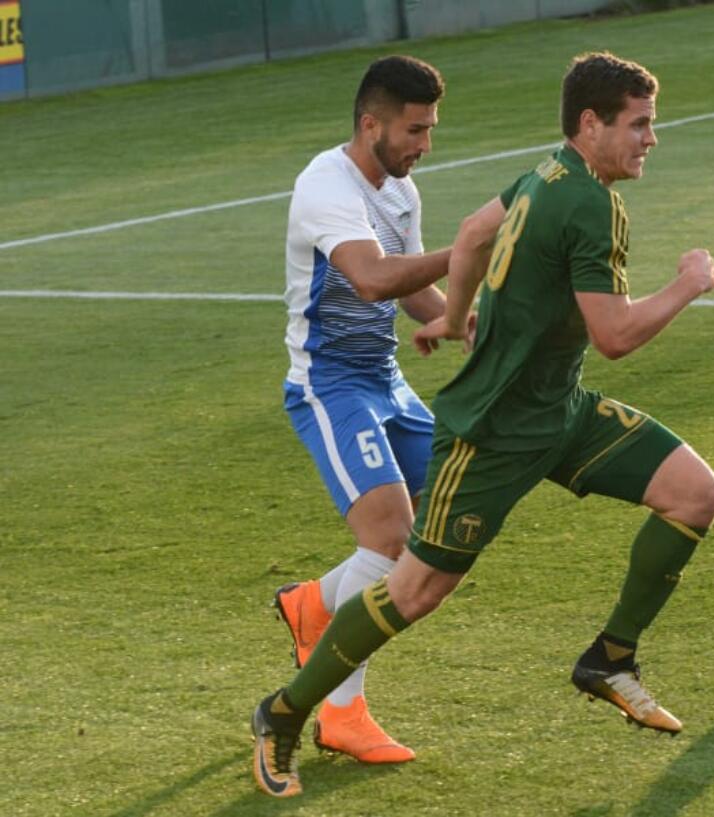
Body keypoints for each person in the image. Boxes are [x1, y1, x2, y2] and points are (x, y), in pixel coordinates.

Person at [249, 50, 714, 798]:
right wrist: (688, 284)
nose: (650, 141)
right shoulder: (589, 205)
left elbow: (473, 231)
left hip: (558, 410)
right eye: (639, 125)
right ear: (591, 124)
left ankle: (611, 656)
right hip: (491, 428)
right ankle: (285, 710)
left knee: (696, 493)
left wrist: (454, 315)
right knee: (411, 585)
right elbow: (616, 336)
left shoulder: (546, 175)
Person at [271, 54, 459, 765]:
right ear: (370, 123)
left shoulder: (402, 192)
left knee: (447, 524)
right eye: (415, 130)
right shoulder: (326, 185)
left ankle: (312, 604)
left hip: (385, 379)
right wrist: (469, 247)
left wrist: (468, 324)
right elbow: (375, 278)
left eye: (431, 129)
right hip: (330, 385)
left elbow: (414, 295)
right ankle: (341, 713)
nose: (424, 145)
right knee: (389, 542)